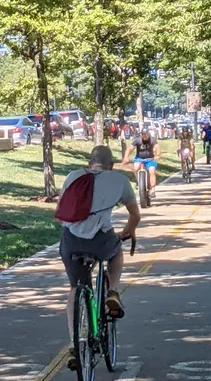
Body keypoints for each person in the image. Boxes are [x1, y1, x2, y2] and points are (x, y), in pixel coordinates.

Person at [59, 146, 140, 371]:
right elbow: (135, 215)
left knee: (76, 287)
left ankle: (74, 344)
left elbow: (61, 213)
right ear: (111, 165)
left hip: (72, 241)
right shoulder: (118, 180)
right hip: (100, 240)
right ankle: (112, 292)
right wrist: (128, 231)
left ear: (89, 162)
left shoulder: (72, 176)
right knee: (116, 251)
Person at [123, 127, 161, 198]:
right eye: (143, 134)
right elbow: (129, 148)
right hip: (139, 159)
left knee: (152, 171)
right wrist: (126, 157)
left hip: (150, 159)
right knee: (135, 168)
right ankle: (139, 181)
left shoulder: (152, 140)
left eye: (146, 134)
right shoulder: (137, 140)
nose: (145, 136)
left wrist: (157, 155)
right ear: (141, 134)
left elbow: (157, 148)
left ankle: (152, 189)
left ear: (148, 134)